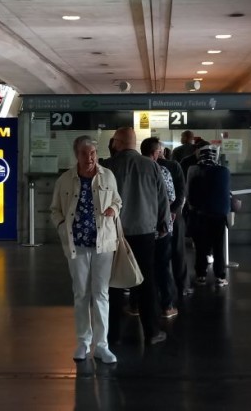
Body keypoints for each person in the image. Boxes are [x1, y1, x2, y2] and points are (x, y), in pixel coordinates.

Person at [51, 135, 122, 363]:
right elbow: (55, 210)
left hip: (104, 243)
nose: (89, 158)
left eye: (92, 153)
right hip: (77, 244)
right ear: (76, 155)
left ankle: (102, 345)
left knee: (101, 293)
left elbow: (118, 201)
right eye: (84, 153)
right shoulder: (65, 180)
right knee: (81, 293)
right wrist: (62, 226)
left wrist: (113, 208)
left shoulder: (107, 176)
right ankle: (83, 342)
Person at [103, 127, 170, 346]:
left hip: (114, 233)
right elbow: (162, 199)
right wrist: (163, 224)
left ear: (118, 142)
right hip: (144, 233)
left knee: (112, 284)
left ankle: (112, 335)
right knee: (146, 282)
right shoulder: (151, 165)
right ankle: (152, 332)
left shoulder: (108, 166)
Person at [141, 137, 179, 319]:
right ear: (155, 153)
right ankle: (166, 306)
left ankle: (136, 306)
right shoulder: (162, 170)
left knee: (140, 268)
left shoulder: (133, 170)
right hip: (161, 228)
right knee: (163, 267)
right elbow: (171, 197)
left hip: (138, 228)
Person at [187, 145, 231, 287]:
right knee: (218, 247)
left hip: (199, 215)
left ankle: (201, 275)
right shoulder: (224, 171)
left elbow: (189, 193)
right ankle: (220, 276)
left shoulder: (193, 170)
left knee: (200, 247)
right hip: (218, 215)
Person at [157, 141, 190, 300]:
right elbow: (182, 190)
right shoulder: (173, 165)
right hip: (174, 215)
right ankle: (182, 286)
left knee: (157, 254)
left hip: (154, 216)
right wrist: (173, 210)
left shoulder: (146, 165)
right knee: (178, 251)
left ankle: (158, 288)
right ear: (161, 150)